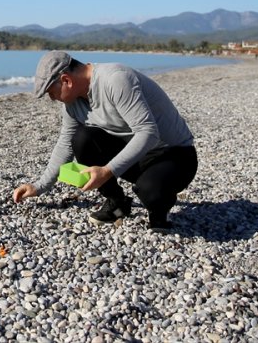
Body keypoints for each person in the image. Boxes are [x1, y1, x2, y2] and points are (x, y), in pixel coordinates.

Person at [12, 51, 197, 232]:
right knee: (82, 139)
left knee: (150, 191)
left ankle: (159, 212)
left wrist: (108, 171)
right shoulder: (72, 103)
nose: (52, 98)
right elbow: (65, 143)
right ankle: (117, 203)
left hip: (174, 155)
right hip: (136, 156)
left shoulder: (115, 80)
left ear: (66, 80)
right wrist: (38, 186)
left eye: (51, 92)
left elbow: (148, 133)